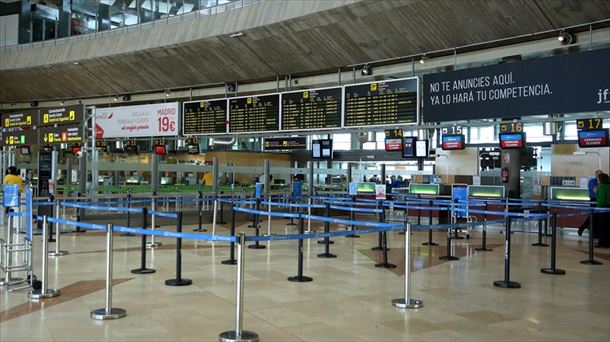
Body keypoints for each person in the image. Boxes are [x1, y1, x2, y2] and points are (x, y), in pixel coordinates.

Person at [578, 169, 603, 236]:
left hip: (600, 200)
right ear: (595, 175)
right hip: (594, 200)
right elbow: (595, 191)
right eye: (598, 174)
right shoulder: (592, 181)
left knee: (597, 217)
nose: (600, 175)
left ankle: (594, 233)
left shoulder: (602, 182)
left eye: (601, 174)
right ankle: (582, 228)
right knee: (593, 216)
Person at [594, 173, 610, 248]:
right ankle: (607, 243)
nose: (597, 180)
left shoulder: (602, 186)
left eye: (598, 178)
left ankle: (602, 243)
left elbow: (601, 199)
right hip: (608, 209)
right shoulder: (608, 186)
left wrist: (596, 192)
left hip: (603, 209)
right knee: (607, 226)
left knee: (602, 226)